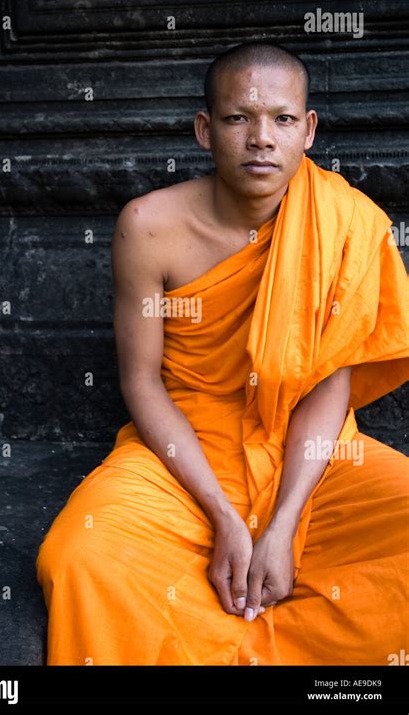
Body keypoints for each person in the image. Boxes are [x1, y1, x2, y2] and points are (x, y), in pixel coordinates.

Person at [36, 42, 409, 665]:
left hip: (312, 454)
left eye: (283, 120)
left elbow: (327, 384)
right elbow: (142, 383)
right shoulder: (150, 226)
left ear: (308, 129)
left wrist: (284, 519)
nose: (262, 138)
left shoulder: (347, 222)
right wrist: (225, 516)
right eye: (239, 119)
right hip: (183, 451)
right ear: (206, 131)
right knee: (79, 554)